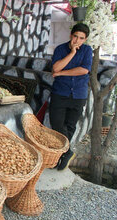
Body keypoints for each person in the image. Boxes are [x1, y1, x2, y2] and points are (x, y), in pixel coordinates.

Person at [49, 23, 93, 171]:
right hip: (60, 93)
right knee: (56, 125)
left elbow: (84, 70)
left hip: (79, 94)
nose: (77, 41)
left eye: (81, 38)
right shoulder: (61, 49)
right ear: (71, 35)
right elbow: (55, 68)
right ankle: (67, 152)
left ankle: (59, 156)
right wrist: (72, 53)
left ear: (85, 40)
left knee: (70, 126)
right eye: (75, 36)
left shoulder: (87, 50)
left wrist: (61, 73)